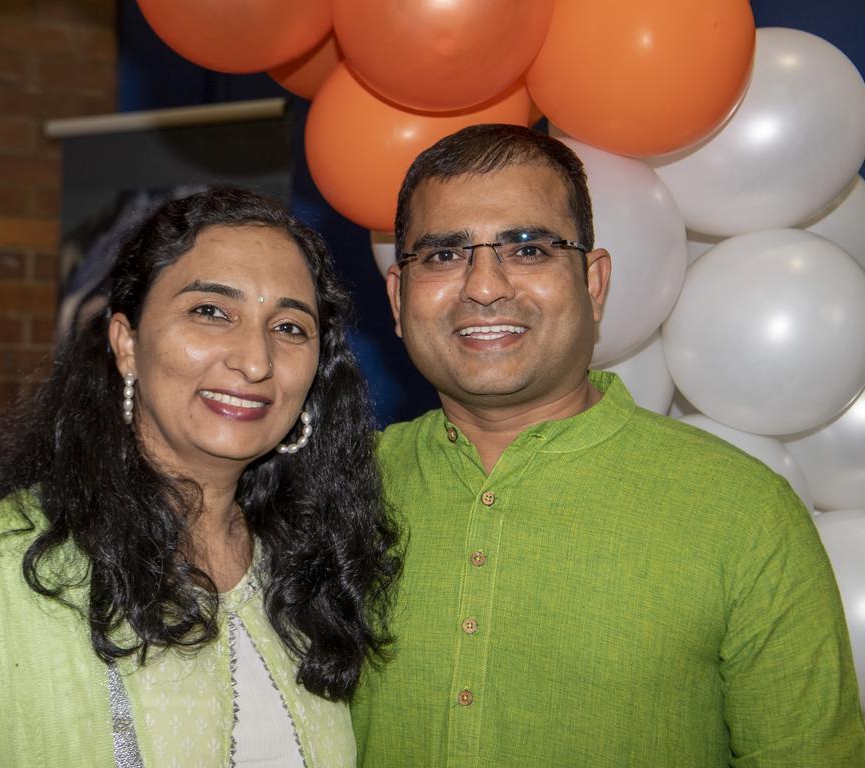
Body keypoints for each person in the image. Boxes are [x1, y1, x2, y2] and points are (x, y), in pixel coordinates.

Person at [350, 124, 865, 766]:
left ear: (593, 284)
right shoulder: (334, 494)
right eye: (444, 255)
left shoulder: (745, 510)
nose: (484, 286)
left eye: (529, 249)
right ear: (399, 298)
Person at [0, 188, 399, 767]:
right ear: (126, 344)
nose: (255, 361)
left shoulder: (315, 570)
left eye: (289, 327)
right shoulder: (1, 564)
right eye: (210, 312)